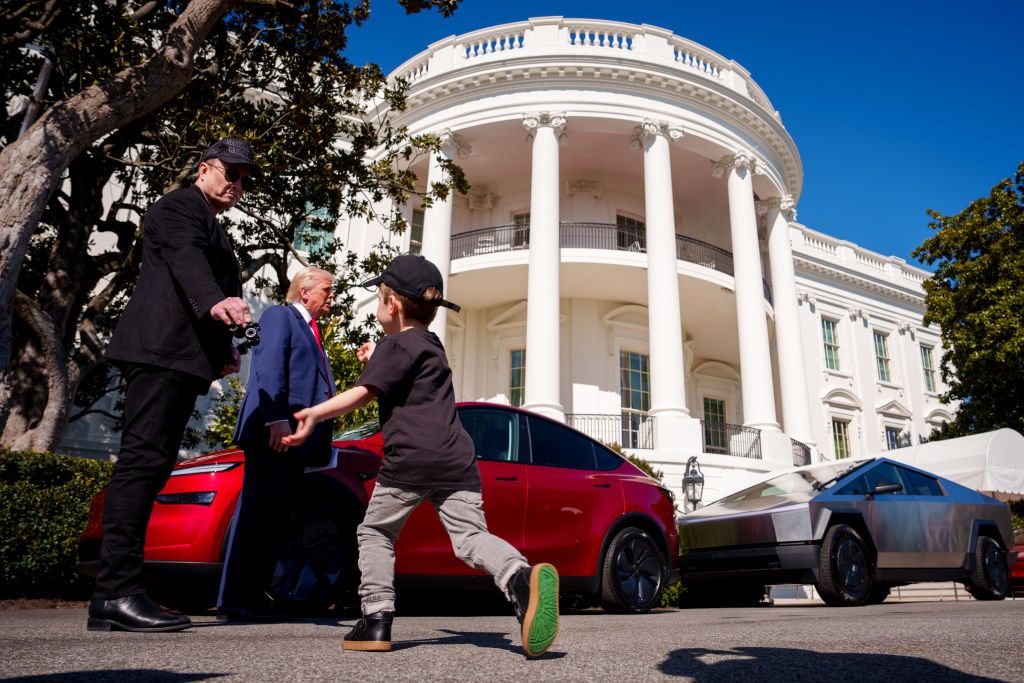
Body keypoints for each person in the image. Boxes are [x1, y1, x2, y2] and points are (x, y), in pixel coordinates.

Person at [282, 254, 560, 658]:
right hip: (456, 461)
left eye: (379, 298)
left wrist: (314, 412)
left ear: (391, 304)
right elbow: (402, 378)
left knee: (376, 532)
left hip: (410, 460)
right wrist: (374, 358)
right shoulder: (429, 343)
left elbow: (364, 392)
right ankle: (520, 576)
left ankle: (376, 619)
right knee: (469, 539)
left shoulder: (395, 345)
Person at [88, 138, 259, 633]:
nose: (238, 184)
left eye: (245, 179)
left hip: (181, 359)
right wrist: (216, 303)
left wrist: (223, 346)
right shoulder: (180, 205)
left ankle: (120, 592)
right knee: (142, 464)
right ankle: (115, 593)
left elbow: (207, 274)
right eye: (231, 172)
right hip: (159, 352)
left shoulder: (213, 224)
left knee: (153, 463)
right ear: (204, 168)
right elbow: (189, 263)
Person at [217, 266, 336, 621]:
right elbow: (268, 366)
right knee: (255, 515)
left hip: (296, 442)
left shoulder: (312, 331)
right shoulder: (280, 315)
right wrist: (275, 417)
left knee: (277, 519)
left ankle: (254, 596)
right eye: (327, 290)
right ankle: (233, 599)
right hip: (275, 433)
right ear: (305, 292)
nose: (332, 297)